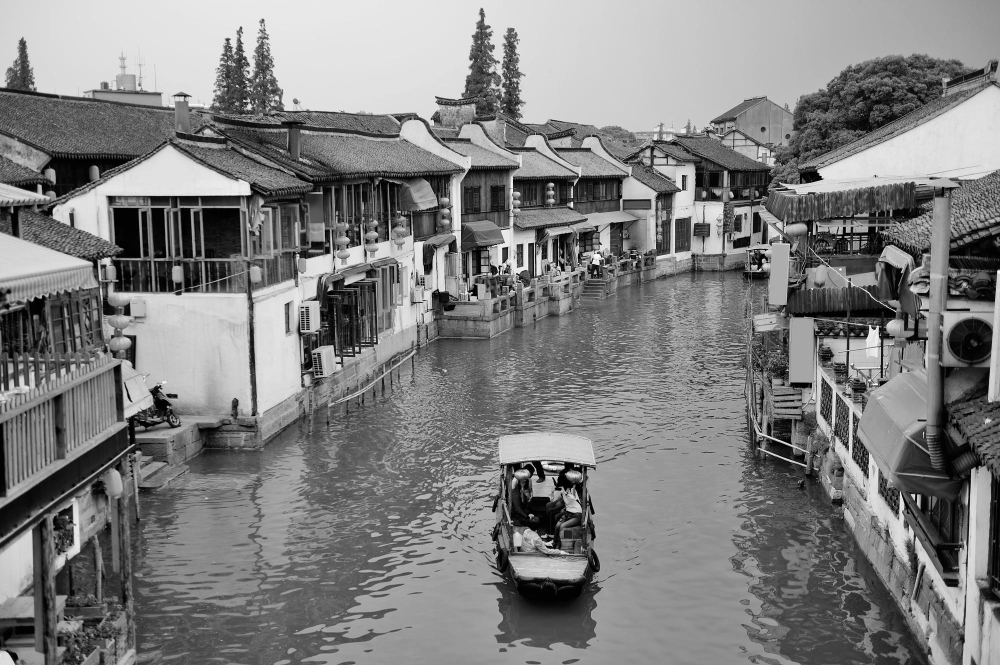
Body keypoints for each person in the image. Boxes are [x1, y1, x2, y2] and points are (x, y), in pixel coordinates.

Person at [552, 470, 584, 550]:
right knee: (557, 526)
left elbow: (573, 495)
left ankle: (562, 545)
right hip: (568, 513)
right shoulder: (563, 489)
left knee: (563, 526)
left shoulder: (573, 490)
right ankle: (554, 543)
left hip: (577, 515)